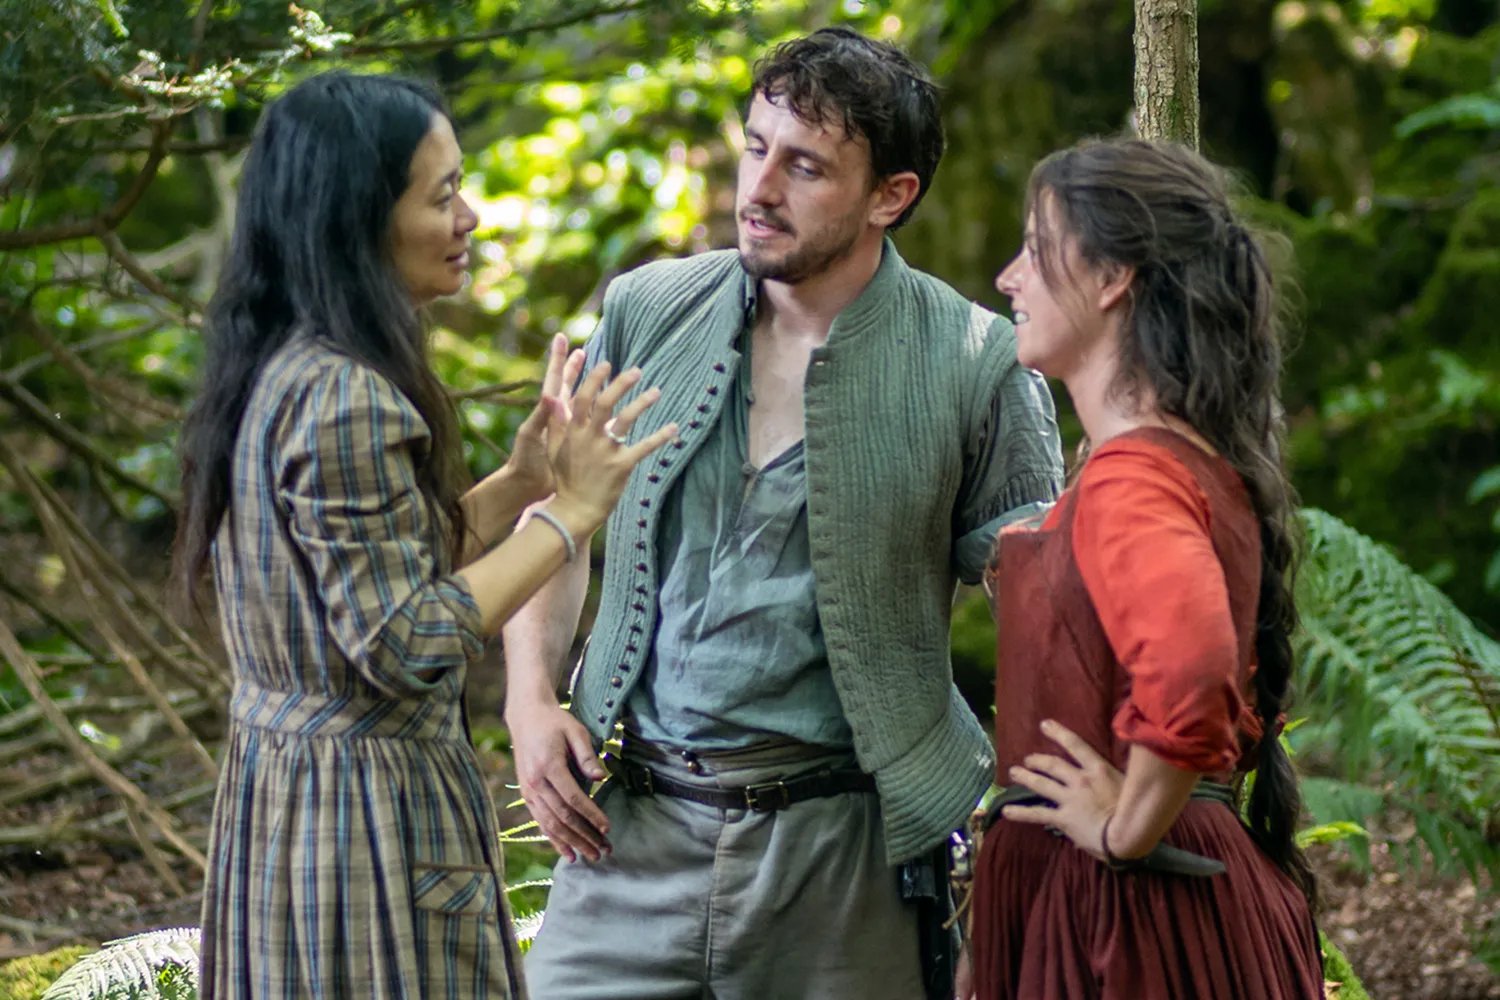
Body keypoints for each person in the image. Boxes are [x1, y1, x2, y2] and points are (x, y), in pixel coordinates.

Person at [502, 27, 1064, 999]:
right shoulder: (645, 311)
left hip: (847, 859)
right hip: (627, 836)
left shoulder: (975, 360)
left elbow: (1045, 615)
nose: (758, 189)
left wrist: (1026, 856)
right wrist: (528, 702)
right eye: (755, 145)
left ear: (893, 195)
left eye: (804, 166)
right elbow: (559, 523)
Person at [171, 72, 675, 999]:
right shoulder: (348, 399)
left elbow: (372, 569)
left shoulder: (288, 365)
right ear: (358, 217)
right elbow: (404, 639)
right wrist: (573, 514)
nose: (470, 217)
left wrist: (524, 480)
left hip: (289, 798)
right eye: (442, 195)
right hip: (362, 820)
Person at [965, 137, 1325, 999]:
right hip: (1135, 898)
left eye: (1034, 247)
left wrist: (1125, 828)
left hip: (1129, 917)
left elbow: (1192, 666)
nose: (1008, 277)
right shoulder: (1166, 459)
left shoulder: (1137, 469)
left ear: (1111, 277)